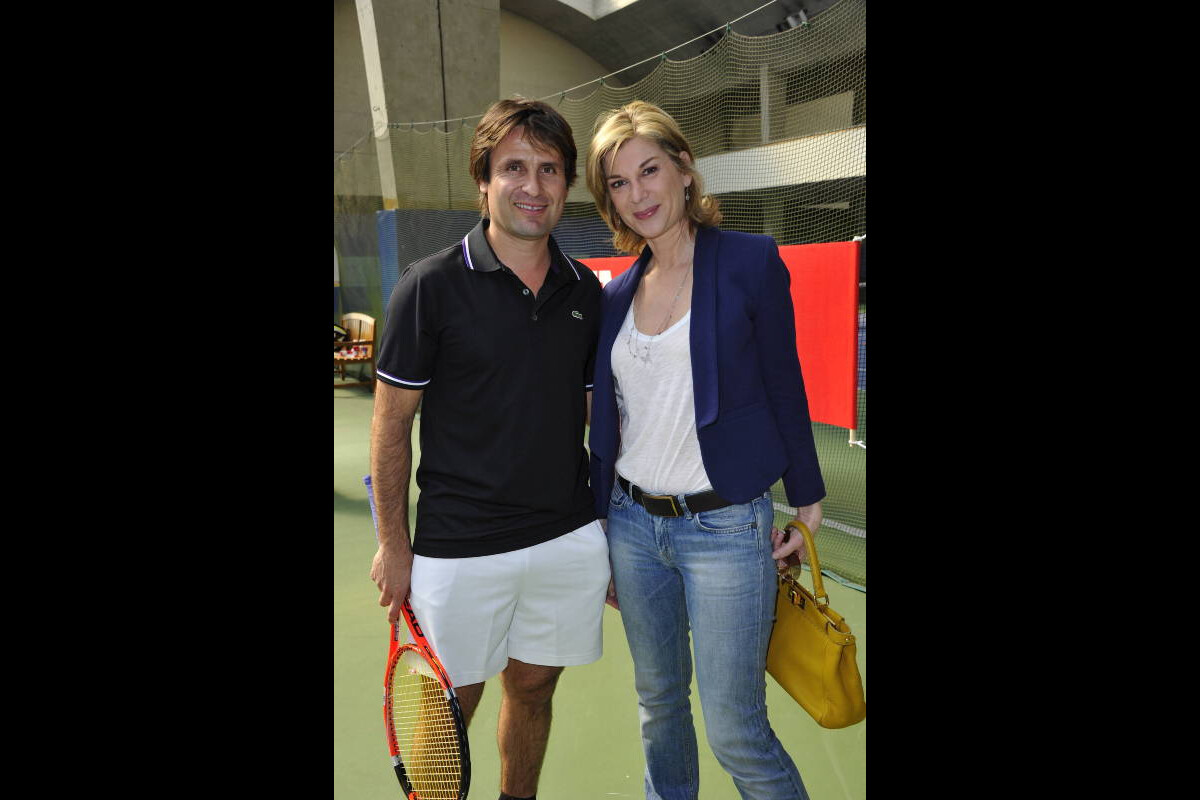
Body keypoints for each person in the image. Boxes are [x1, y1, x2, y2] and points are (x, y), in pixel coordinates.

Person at [369, 97, 609, 800]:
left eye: (549, 169)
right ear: (484, 179)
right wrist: (396, 542)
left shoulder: (584, 293)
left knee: (533, 689)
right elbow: (391, 427)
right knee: (451, 710)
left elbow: (599, 415)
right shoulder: (430, 286)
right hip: (458, 546)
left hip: (564, 538)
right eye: (513, 168)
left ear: (566, 185)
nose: (532, 185)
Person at [585, 100, 827, 800]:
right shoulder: (617, 295)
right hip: (633, 527)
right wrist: (601, 523)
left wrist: (808, 503)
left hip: (725, 529)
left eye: (650, 170)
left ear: (685, 171)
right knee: (659, 707)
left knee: (735, 732)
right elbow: (613, 419)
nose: (639, 194)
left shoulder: (750, 262)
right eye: (620, 183)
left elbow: (786, 385)